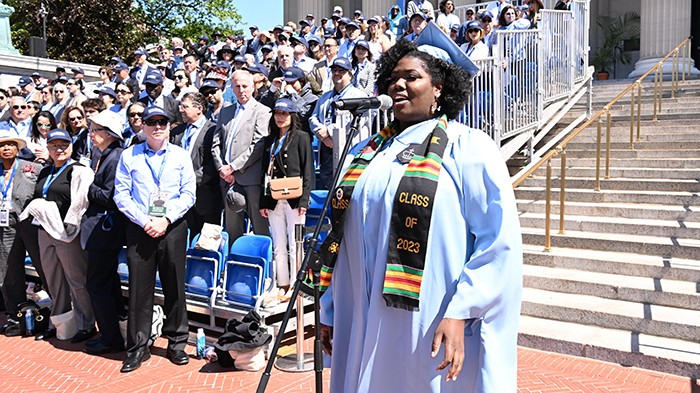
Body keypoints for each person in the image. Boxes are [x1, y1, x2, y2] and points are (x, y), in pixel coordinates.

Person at [318, 34, 522, 392]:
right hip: (363, 319)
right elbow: (342, 239)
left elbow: (497, 241)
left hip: (430, 319)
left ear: (439, 88)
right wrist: (332, 310)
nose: (398, 84)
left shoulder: (468, 147)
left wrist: (462, 309)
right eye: (393, 77)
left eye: (411, 77)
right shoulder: (367, 154)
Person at [113, 106, 196, 372]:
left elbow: (188, 194)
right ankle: (138, 347)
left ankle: (177, 343)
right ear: (143, 126)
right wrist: (145, 220)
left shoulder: (182, 156)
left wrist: (165, 219)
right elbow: (121, 195)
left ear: (170, 126)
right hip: (140, 227)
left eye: (162, 122)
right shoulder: (129, 156)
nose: (157, 126)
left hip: (172, 226)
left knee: (175, 285)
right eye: (151, 122)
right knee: (139, 289)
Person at [20, 128, 96, 343]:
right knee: (54, 281)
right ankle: (61, 324)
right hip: (44, 231)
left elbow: (80, 202)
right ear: (48, 148)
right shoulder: (45, 171)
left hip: (66, 233)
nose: (59, 149)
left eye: (64, 144)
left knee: (76, 280)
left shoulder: (78, 170)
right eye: (54, 145)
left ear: (71, 146)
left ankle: (86, 325)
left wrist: (69, 229)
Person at [80, 110, 127, 354]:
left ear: (108, 134)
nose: (91, 134)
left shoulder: (115, 157)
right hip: (101, 228)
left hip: (105, 229)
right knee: (105, 282)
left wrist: (88, 185)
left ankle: (110, 337)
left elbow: (110, 197)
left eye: (95, 130)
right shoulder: (106, 155)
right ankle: (112, 332)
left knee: (97, 283)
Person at [259, 98, 313, 300]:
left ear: (292, 116)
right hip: (274, 197)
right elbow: (263, 173)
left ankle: (296, 284)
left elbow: (308, 171)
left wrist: (304, 201)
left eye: (284, 113)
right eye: (277, 113)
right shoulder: (269, 140)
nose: (280, 117)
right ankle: (282, 283)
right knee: (279, 244)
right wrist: (263, 202)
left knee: (295, 242)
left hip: (294, 197)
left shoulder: (301, 137)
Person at [211, 70, 271, 244]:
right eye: (237, 86)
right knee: (232, 230)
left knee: (260, 228)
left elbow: (258, 144)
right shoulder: (225, 111)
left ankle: (262, 266)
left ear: (253, 87)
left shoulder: (263, 111)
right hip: (226, 179)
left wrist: (233, 167)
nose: (241, 90)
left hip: (250, 179)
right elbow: (216, 144)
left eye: (245, 86)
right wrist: (222, 168)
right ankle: (235, 265)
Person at [0, 131, 43, 337]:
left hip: (30, 222)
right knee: (9, 271)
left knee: (45, 267)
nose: (6, 148)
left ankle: (58, 313)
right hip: (5, 224)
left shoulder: (33, 168)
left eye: (10, 145)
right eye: (2, 145)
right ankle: (16, 316)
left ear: (18, 149)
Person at [309, 57, 368, 190]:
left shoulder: (359, 95)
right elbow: (313, 118)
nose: (337, 73)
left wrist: (329, 131)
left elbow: (358, 119)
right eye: (334, 70)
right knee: (327, 184)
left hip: (349, 147)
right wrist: (322, 135)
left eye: (341, 70)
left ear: (350, 75)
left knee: (345, 187)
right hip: (326, 147)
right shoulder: (325, 97)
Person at [170, 92, 222, 236]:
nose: (181, 110)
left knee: (206, 243)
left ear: (199, 108)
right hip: (179, 198)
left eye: (185, 107)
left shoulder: (213, 130)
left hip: (205, 197)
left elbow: (215, 161)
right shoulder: (177, 131)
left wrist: (192, 178)